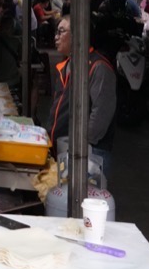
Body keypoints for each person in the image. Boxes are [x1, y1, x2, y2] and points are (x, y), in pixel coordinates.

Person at [46, 16, 116, 181]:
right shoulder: (66, 66)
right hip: (65, 152)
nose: (56, 37)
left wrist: (78, 152)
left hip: (88, 156)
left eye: (61, 31)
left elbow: (100, 117)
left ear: (78, 35)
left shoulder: (99, 68)